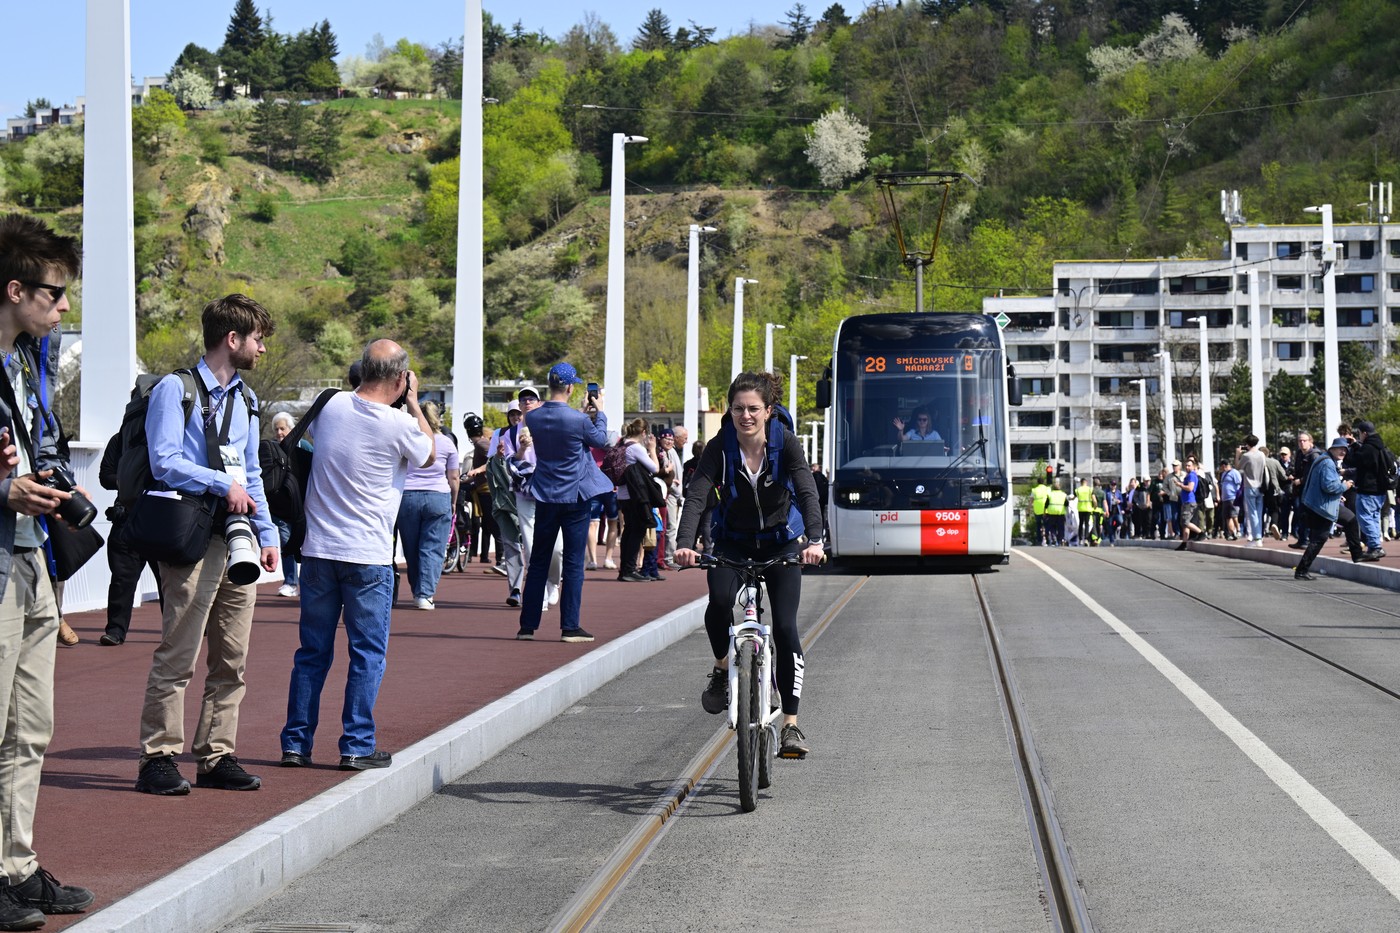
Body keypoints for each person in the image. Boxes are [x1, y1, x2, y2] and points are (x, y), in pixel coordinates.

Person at [135, 295, 280, 798]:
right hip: (191, 534)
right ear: (232, 339)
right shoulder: (174, 390)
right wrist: (222, 484)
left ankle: (217, 754)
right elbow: (165, 462)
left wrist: (266, 532)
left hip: (237, 537)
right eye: (258, 339)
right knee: (179, 652)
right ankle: (157, 757)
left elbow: (254, 473)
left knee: (233, 656)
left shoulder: (246, 399)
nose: (262, 349)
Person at [0, 214, 95, 922]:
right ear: (14, 289)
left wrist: (51, 483)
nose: (63, 306)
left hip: (31, 559)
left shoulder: (28, 362)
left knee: (30, 726)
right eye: (54, 293)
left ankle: (15, 864)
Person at [280, 340, 434, 771]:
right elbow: (429, 454)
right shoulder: (400, 424)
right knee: (367, 653)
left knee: (312, 653)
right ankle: (356, 746)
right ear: (401, 379)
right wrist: (416, 404)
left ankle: (296, 743)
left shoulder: (329, 407)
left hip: (317, 551)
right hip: (366, 554)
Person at [675, 371, 824, 760]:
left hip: (780, 542)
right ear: (731, 411)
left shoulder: (785, 444)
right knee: (720, 603)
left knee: (788, 628)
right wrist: (684, 545)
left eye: (753, 409)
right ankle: (724, 668)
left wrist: (816, 540)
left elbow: (807, 491)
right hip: (732, 542)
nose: (746, 415)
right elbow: (696, 497)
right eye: (739, 408)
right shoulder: (720, 448)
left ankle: (790, 725)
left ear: (768, 411)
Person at [515, 363, 612, 642]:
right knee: (572, 562)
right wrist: (600, 411)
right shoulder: (579, 420)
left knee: (538, 562)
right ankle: (570, 626)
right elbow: (601, 440)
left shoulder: (532, 417)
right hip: (575, 496)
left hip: (545, 494)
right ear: (570, 387)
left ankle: (527, 625)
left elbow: (561, 425)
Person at [98, 406, 165, 646]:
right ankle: (115, 631)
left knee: (169, 580)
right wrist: (128, 479)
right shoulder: (120, 440)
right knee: (122, 580)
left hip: (161, 520)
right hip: (126, 519)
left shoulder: (169, 441)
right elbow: (104, 476)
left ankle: (176, 630)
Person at [397, 401, 460, 610]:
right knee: (432, 548)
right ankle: (425, 594)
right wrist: (453, 501)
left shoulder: (407, 440)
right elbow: (454, 477)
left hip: (407, 497)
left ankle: (418, 589)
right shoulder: (447, 443)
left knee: (411, 548)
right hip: (438, 496)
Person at [509, 386, 564, 610]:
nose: (527, 402)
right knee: (531, 547)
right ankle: (538, 592)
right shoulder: (511, 432)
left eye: (532, 399)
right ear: (520, 406)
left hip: (551, 491)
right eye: (524, 400)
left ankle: (553, 581)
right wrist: (521, 451)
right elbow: (508, 463)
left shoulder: (550, 427)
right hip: (524, 492)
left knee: (557, 548)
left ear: (539, 403)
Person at [1294, 436, 1364, 579]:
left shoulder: (1325, 460)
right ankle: (1301, 571)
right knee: (1320, 538)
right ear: (1332, 449)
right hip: (1322, 507)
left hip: (1322, 504)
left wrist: (1338, 495)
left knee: (1349, 520)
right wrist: (1346, 486)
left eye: (1345, 450)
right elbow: (1330, 486)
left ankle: (1357, 555)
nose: (1343, 452)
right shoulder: (1327, 463)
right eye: (1340, 449)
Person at [615, 419, 661, 582]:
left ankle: (625, 569)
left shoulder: (621, 444)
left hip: (622, 494)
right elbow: (655, 468)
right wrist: (653, 449)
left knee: (628, 531)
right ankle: (629, 569)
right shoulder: (635, 448)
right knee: (637, 531)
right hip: (636, 496)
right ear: (643, 433)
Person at [266, 411, 299, 598]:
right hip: (280, 509)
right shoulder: (270, 450)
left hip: (302, 507)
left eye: (282, 428)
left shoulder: (303, 447)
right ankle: (290, 582)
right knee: (287, 544)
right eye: (276, 429)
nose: (279, 432)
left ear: (291, 429)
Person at [1349, 420, 1389, 561]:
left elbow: (1354, 460)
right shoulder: (1381, 446)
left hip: (1368, 489)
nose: (1358, 436)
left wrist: (1353, 447)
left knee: (1365, 517)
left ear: (1364, 433)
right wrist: (1356, 445)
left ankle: (1376, 547)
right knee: (1374, 518)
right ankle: (1373, 547)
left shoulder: (1368, 448)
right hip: (1381, 490)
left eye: (1359, 433)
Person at [658, 427, 683, 570]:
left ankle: (666, 556)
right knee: (669, 527)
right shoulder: (662, 453)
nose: (669, 441)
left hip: (672, 493)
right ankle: (667, 557)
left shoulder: (670, 452)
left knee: (670, 526)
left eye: (671, 439)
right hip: (668, 493)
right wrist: (674, 485)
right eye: (666, 439)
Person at [1237, 435, 1266, 544]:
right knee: (1258, 512)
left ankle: (1257, 537)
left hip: (1250, 486)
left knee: (1252, 513)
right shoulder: (1262, 454)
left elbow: (1238, 467)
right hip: (1261, 486)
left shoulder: (1247, 456)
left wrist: (1237, 455)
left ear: (1247, 444)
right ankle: (1259, 535)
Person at [1175, 457, 1204, 550]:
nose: (1187, 467)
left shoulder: (1192, 475)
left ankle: (1201, 533)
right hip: (1186, 501)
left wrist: (1180, 485)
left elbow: (1190, 488)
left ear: (1194, 466)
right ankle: (1184, 542)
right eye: (1186, 465)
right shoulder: (1189, 475)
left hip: (1189, 501)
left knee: (1185, 522)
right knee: (1184, 523)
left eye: (1189, 465)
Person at [1218, 458, 1242, 540]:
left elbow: (1239, 483)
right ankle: (1232, 533)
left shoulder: (1234, 472)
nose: (1220, 469)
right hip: (1225, 498)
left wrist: (1238, 495)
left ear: (1224, 466)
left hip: (1233, 497)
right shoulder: (1223, 474)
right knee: (1227, 516)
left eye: (1221, 467)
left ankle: (1238, 530)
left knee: (1234, 515)